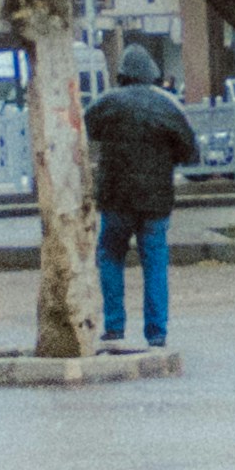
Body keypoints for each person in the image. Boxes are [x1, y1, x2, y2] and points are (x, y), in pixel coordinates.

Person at [84, 43, 194, 352]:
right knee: (155, 263)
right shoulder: (168, 106)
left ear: (122, 74)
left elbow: (84, 131)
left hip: (116, 199)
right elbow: (189, 150)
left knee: (110, 256)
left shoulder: (107, 103)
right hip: (156, 202)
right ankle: (156, 333)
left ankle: (114, 327)